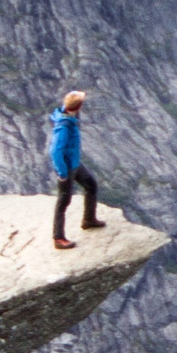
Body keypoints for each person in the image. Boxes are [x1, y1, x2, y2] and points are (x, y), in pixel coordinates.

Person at [49, 90, 104, 249]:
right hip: (67, 168)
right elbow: (55, 151)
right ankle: (58, 238)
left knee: (91, 185)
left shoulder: (67, 114)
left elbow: (71, 101)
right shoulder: (64, 126)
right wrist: (62, 173)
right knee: (63, 202)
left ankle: (88, 220)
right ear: (79, 106)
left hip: (74, 163)